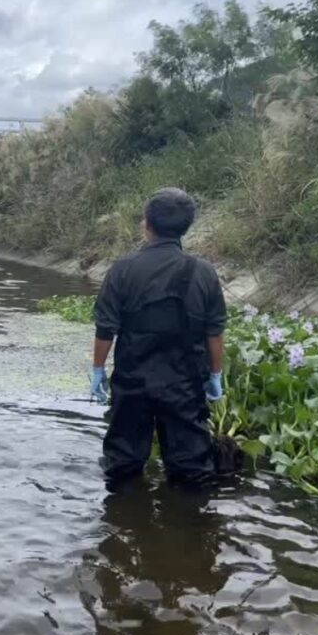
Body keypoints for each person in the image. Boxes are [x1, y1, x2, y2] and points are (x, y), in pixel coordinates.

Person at [90, 188, 227, 491]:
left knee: (122, 467)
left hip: (132, 381)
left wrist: (98, 370)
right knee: (192, 470)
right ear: (186, 227)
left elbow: (105, 328)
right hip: (184, 384)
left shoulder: (122, 269)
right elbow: (214, 331)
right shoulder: (203, 272)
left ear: (146, 224)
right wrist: (215, 374)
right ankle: (190, 528)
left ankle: (121, 524)